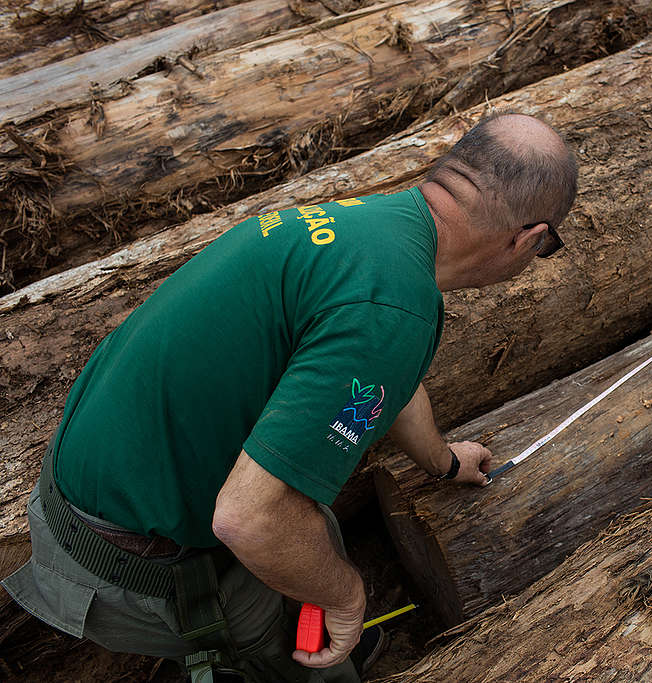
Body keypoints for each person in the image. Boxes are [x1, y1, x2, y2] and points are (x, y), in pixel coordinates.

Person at [2, 112, 578, 682]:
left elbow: (382, 382)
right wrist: (347, 596)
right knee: (314, 618)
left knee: (311, 535)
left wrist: (442, 460)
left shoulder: (378, 226)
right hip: (123, 567)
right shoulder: (392, 307)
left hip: (80, 487)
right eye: (544, 249)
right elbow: (250, 519)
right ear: (529, 238)